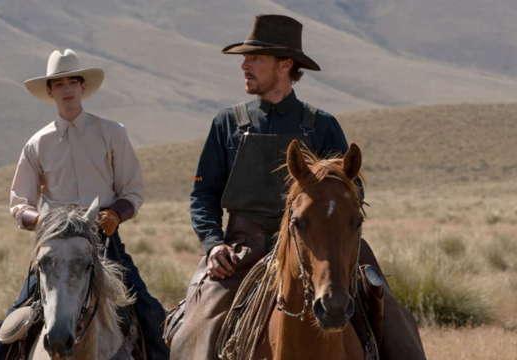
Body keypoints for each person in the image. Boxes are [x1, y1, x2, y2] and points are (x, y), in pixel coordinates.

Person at [170, 14, 426, 360]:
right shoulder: (227, 123)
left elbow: (353, 195)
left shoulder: (321, 125)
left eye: (255, 58)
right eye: (245, 58)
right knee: (196, 326)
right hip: (243, 250)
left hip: (323, 247)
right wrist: (214, 245)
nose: (245, 65)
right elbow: (203, 194)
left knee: (389, 313)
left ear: (285, 65)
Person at [0, 49, 169, 360]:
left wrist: (116, 213)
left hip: (104, 242)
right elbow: (19, 204)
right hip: (55, 248)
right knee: (10, 330)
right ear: (50, 92)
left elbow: (133, 190)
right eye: (58, 84)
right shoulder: (38, 144)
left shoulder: (112, 133)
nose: (67, 89)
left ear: (83, 87)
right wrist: (45, 223)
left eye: (72, 82)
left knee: (151, 315)